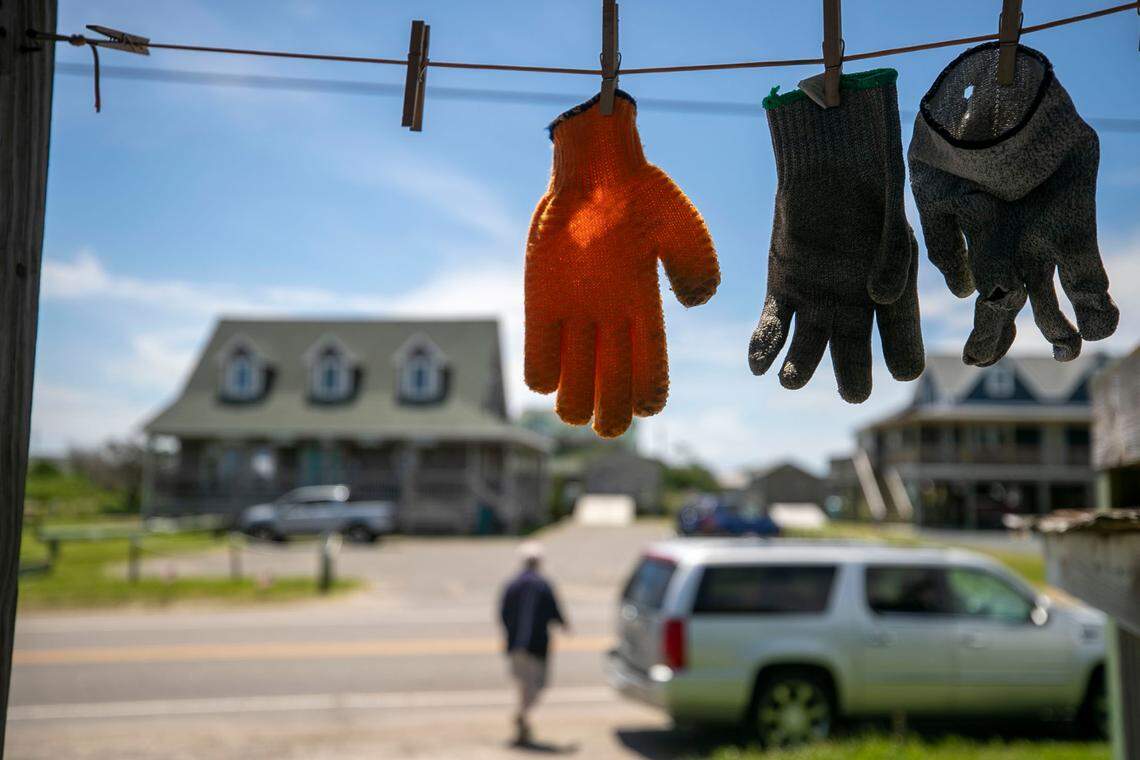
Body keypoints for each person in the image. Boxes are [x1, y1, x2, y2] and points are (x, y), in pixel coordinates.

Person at [499, 541, 570, 746]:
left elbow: (503, 613)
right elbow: (554, 609)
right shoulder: (541, 585)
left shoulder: (513, 584)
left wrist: (510, 633)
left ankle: (522, 720)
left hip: (515, 645)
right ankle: (522, 717)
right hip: (537, 645)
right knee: (537, 685)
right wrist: (564, 624)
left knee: (523, 685)